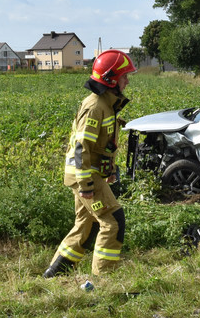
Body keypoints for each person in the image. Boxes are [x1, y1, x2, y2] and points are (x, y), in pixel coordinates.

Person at [43, 49, 135, 280]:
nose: (128, 80)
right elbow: (81, 147)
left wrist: (110, 170)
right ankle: (105, 278)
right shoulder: (96, 106)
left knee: (86, 225)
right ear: (111, 79)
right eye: (125, 75)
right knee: (113, 221)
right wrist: (86, 184)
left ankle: (54, 274)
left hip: (87, 174)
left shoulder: (105, 103)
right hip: (85, 175)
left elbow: (100, 146)